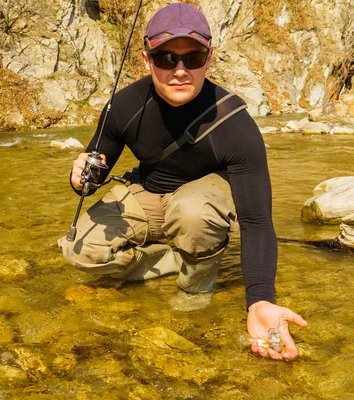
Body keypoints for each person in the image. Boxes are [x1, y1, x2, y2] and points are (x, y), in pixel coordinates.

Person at [59, 2, 308, 360]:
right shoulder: (123, 107)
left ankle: (197, 284)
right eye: (165, 58)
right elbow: (92, 174)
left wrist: (259, 300)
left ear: (209, 59)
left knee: (191, 211)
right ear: (147, 60)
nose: (179, 70)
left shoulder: (235, 124)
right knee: (77, 250)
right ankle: (174, 257)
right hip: (149, 193)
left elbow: (256, 222)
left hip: (202, 204)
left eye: (192, 58)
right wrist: (79, 179)